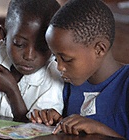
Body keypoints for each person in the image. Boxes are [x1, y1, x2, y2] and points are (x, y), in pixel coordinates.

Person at [31, 0, 129, 139]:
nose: (59, 67)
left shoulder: (125, 85)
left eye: (67, 59)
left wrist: (98, 129)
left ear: (100, 49)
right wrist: (58, 121)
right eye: (55, 57)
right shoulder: (69, 84)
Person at [0, 0, 64, 124]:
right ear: (4, 35)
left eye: (42, 47)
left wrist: (12, 91)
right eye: (19, 44)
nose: (29, 56)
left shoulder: (55, 74)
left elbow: (36, 130)